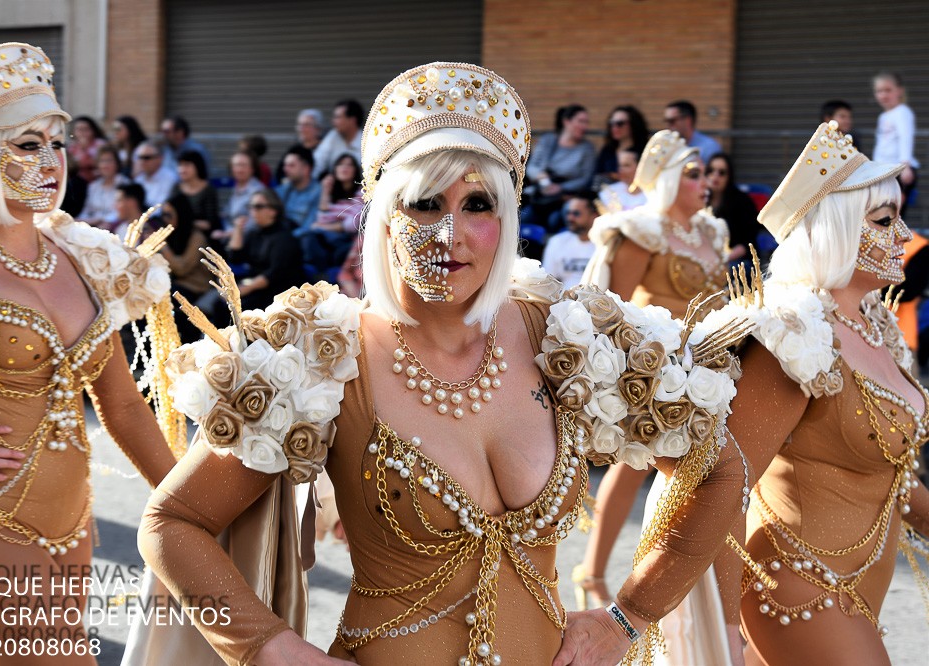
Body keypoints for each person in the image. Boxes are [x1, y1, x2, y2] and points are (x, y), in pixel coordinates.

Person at [137, 61, 750, 666]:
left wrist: (629, 617)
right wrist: (273, 649)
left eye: (478, 204)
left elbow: (719, 468)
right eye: (424, 203)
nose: (449, 234)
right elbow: (173, 522)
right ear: (384, 216)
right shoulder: (321, 357)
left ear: (506, 219)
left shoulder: (564, 336)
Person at [0, 42, 176, 663]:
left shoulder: (81, 256)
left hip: (75, 522)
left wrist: (187, 505)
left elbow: (120, 404)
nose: (51, 162)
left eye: (57, 142)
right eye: (27, 145)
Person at [694, 120, 929, 664]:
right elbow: (723, 487)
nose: (903, 235)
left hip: (863, 589)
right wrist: (727, 629)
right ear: (838, 228)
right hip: (796, 589)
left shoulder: (878, 326)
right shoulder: (792, 334)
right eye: (884, 220)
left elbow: (889, 473)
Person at [575, 129, 732, 662]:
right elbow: (611, 304)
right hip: (652, 365)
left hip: (707, 369)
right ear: (666, 178)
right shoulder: (640, 230)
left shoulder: (713, 231)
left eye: (705, 171)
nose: (703, 181)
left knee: (709, 472)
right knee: (637, 463)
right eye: (690, 172)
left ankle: (686, 575)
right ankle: (592, 569)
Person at [225, 189, 305, 311]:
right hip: (258, 285)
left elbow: (275, 273)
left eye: (258, 206)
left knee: (238, 306)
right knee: (220, 303)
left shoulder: (284, 237)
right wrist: (238, 229)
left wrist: (245, 288)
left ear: (273, 211)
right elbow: (235, 257)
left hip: (281, 292)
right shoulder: (254, 233)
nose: (253, 211)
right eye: (250, 206)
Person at [525, 104, 597, 229]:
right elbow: (532, 167)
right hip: (541, 196)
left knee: (555, 221)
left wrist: (560, 187)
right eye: (580, 121)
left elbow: (586, 178)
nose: (584, 126)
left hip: (566, 199)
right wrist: (542, 178)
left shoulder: (587, 148)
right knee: (523, 220)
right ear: (566, 121)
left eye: (586, 122)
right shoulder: (548, 140)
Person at [159, 194, 211, 343]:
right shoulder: (171, 234)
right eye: (163, 215)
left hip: (196, 287)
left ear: (180, 214)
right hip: (176, 285)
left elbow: (182, 269)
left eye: (169, 215)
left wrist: (164, 247)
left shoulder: (196, 237)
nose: (165, 219)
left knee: (167, 296)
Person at [304, 152, 363, 275]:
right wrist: (325, 191)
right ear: (334, 170)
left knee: (339, 253)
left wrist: (322, 227)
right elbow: (322, 218)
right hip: (327, 240)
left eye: (349, 165)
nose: (344, 168)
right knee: (310, 239)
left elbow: (351, 225)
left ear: (355, 170)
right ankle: (322, 276)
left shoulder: (360, 193)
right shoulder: (331, 194)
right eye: (340, 164)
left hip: (347, 241)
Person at [872, 72, 919, 215]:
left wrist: (905, 166)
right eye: (879, 91)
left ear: (899, 90)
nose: (883, 95)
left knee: (891, 217)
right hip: (884, 172)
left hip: (898, 171)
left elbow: (906, 138)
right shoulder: (884, 116)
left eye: (888, 90)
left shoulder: (902, 112)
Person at [705, 152, 761, 264]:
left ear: (729, 177)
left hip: (736, 260)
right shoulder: (699, 198)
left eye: (721, 172)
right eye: (711, 170)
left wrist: (723, 259)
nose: (715, 176)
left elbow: (748, 242)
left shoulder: (742, 201)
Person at [542, 195, 596, 288]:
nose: (570, 218)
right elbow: (548, 279)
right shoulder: (557, 241)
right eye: (568, 213)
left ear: (593, 216)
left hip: (600, 299)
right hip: (564, 299)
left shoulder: (607, 243)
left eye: (576, 213)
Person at [170, 149, 221, 241]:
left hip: (201, 236)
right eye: (180, 165)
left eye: (187, 165)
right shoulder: (176, 188)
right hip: (177, 235)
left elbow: (210, 223)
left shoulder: (208, 189)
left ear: (197, 166)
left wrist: (186, 223)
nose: (182, 169)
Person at [79, 145, 130, 230]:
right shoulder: (93, 186)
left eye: (109, 160)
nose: (105, 165)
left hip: (116, 228)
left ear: (117, 163)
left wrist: (101, 220)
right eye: (102, 161)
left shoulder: (125, 184)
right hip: (93, 227)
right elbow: (86, 211)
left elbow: (122, 213)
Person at [594, 105, 650, 182]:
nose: (615, 127)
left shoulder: (644, 151)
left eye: (620, 123)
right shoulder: (608, 150)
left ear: (633, 124)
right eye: (612, 123)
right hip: (607, 192)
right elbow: (597, 175)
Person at [312, 100, 364, 179]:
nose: (333, 122)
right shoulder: (332, 136)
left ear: (352, 120)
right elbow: (317, 163)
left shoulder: (367, 141)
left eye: (338, 117)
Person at [276, 145, 321, 234]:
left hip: (301, 240)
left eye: (291, 165)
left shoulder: (318, 192)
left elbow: (309, 227)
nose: (285, 169)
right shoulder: (283, 189)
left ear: (306, 169)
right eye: (285, 165)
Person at [224, 149, 266, 230]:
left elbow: (255, 224)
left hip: (245, 239)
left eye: (243, 165)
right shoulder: (236, 187)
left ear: (252, 169)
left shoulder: (258, 191)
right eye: (236, 165)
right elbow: (228, 214)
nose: (239, 169)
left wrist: (228, 234)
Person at [597, 148, 646, 213]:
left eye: (626, 165)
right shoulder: (609, 192)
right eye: (619, 165)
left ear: (640, 167)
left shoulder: (653, 193)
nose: (620, 170)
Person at [133, 139, 178, 208]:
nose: (142, 161)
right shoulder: (138, 180)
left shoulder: (170, 178)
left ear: (160, 158)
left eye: (146, 158)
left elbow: (161, 208)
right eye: (140, 157)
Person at [66, 115, 107, 182]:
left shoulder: (100, 145)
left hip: (97, 180)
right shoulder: (72, 148)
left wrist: (84, 150)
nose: (83, 133)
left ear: (93, 131)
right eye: (79, 129)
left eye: (86, 129)